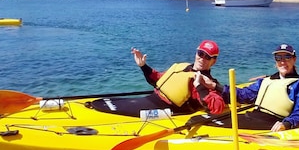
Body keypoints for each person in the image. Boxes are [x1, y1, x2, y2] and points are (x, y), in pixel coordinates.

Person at [89, 40, 227, 117]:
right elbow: (157, 79)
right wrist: (143, 66)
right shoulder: (184, 67)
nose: (202, 58)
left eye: (207, 57)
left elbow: (218, 107)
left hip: (166, 110)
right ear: (196, 52)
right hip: (151, 99)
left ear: (213, 61)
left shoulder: (206, 81)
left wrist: (200, 87)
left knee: (113, 110)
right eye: (200, 53)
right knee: (109, 104)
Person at [224, 43, 299, 132]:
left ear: (294, 59)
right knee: (217, 122)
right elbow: (244, 95)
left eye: (287, 57)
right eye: (278, 58)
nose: (282, 62)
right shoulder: (265, 81)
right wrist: (216, 86)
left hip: (271, 123)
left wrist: (286, 124)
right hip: (251, 117)